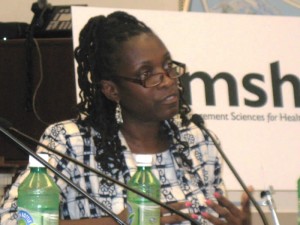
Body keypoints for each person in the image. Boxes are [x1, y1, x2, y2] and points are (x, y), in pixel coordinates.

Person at [0, 11, 252, 225]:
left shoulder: (197, 140)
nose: (167, 81)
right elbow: (12, 220)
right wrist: (117, 221)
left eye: (167, 66)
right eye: (147, 74)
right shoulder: (72, 142)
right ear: (112, 90)